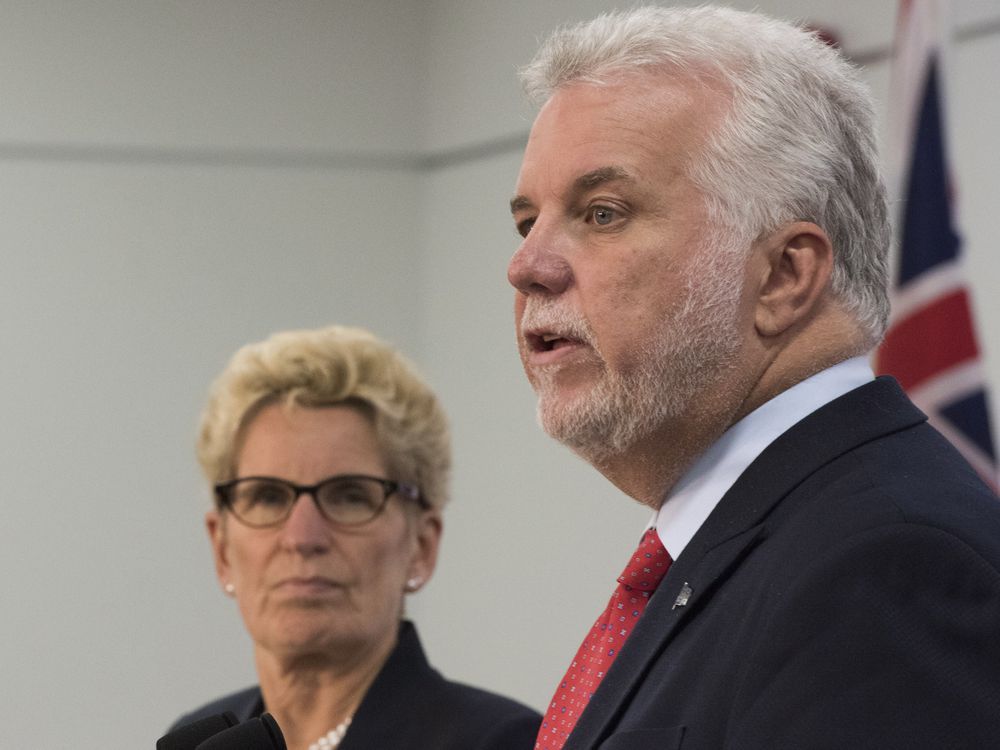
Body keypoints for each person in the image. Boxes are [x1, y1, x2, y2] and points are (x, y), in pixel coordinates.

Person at [507, 6, 1000, 749]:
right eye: (526, 222)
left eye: (602, 213)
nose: (527, 266)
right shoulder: (760, 544)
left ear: (783, 275)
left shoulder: (887, 566)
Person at [169, 325, 540, 749]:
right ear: (221, 550)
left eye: (348, 497)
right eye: (268, 497)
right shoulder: (199, 739)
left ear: (421, 545)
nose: (302, 536)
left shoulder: (505, 741)